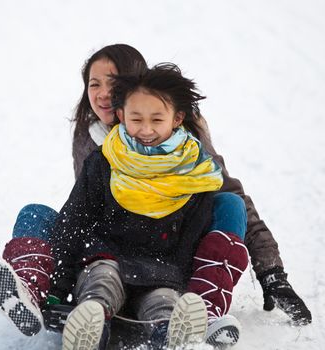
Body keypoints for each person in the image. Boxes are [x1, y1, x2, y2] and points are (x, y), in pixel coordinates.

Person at [47, 62, 250, 350]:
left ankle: (172, 337)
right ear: (120, 116)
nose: (145, 129)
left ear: (177, 118)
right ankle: (92, 329)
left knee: (164, 303)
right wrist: (58, 289)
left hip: (162, 272)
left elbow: (195, 236)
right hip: (107, 259)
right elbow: (75, 221)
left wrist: (183, 282)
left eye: (156, 120)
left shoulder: (195, 171)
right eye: (136, 118)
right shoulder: (105, 162)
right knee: (101, 283)